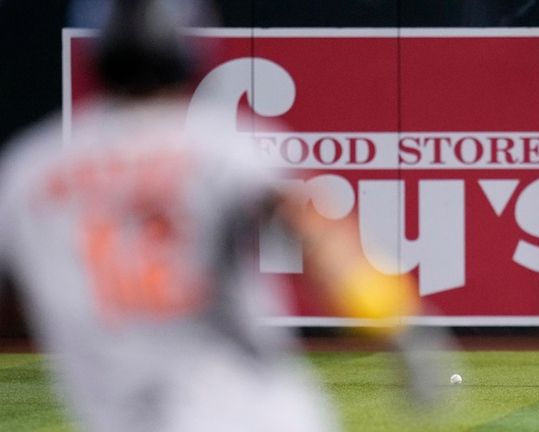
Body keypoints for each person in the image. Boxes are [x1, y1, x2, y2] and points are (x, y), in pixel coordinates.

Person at [0, 1, 436, 431]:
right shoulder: (223, 143)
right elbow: (314, 230)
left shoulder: (28, 172)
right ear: (187, 51)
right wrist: (397, 323)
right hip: (259, 416)